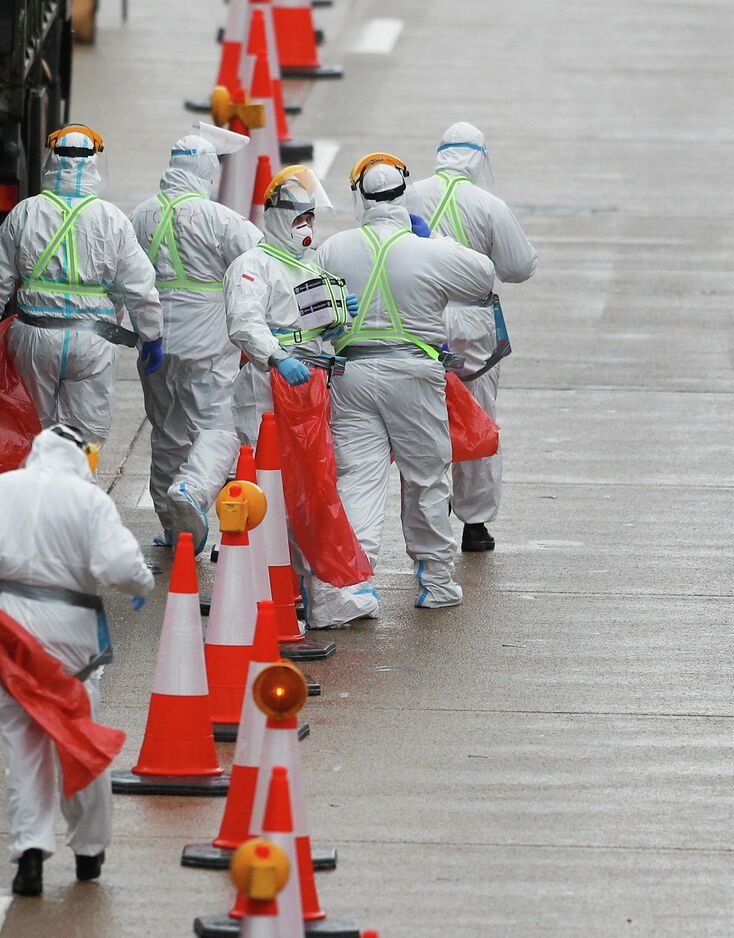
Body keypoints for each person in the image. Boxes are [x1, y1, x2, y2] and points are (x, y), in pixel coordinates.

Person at [0, 425, 154, 897]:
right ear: (77, 457)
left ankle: (30, 852)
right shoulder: (88, 501)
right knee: (77, 736)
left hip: (8, 632)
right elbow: (119, 569)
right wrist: (143, 586)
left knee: (22, 743)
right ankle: (89, 850)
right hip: (71, 635)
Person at [313, 154, 495, 612]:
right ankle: (435, 582)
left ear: (360, 196)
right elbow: (483, 276)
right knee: (426, 478)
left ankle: (351, 586)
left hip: (350, 375)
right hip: (414, 374)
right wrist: (430, 238)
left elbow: (313, 302)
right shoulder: (427, 249)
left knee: (357, 479)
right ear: (404, 195)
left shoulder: (336, 248)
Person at [222, 165, 379, 628]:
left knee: (309, 490)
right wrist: (276, 358)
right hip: (269, 393)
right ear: (275, 218)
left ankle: (308, 591)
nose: (306, 229)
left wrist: (338, 318)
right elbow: (245, 325)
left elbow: (314, 327)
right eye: (298, 219)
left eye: (310, 219)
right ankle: (275, 591)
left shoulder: (308, 265)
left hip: (307, 387)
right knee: (273, 491)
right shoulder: (252, 265)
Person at [0, 126, 164, 450]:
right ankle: (75, 493)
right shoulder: (111, 218)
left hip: (32, 339)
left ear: (51, 161)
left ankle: (40, 496)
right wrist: (151, 335)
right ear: (94, 164)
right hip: (93, 342)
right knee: (85, 438)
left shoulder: (25, 213)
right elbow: (140, 285)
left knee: (33, 435)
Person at [405, 122, 538, 552]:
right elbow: (518, 266)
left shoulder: (408, 196)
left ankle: (428, 509)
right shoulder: (489, 205)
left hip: (418, 315)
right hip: (472, 326)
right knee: (477, 416)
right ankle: (475, 524)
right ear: (479, 158)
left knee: (421, 417)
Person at [128, 125, 263, 548]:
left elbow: (123, 276)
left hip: (155, 343)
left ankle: (172, 526)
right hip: (208, 344)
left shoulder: (140, 214)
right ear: (207, 171)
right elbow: (262, 263)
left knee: (167, 431)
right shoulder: (220, 218)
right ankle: (193, 491)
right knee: (218, 429)